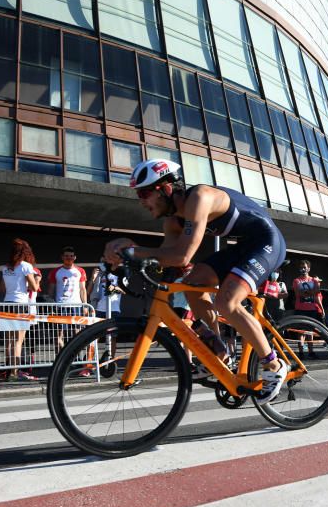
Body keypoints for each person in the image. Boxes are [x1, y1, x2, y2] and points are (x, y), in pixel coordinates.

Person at [103, 159, 288, 404]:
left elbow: (183, 255)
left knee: (227, 302)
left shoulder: (200, 197)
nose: (141, 201)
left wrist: (134, 251)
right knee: (192, 284)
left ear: (167, 188)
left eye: (145, 193)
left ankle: (274, 364)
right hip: (243, 246)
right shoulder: (172, 222)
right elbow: (169, 263)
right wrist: (128, 259)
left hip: (266, 241)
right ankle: (219, 350)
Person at [0, 238, 41, 381]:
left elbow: (2, 288)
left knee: (9, 340)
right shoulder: (26, 266)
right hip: (21, 304)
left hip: (6, 303)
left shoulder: (5, 267)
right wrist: (36, 280)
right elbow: (34, 288)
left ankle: (7, 370)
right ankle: (14, 373)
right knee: (18, 340)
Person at [48, 246, 88, 351]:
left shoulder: (80, 271)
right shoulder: (56, 271)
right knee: (59, 334)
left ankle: (75, 358)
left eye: (71, 256)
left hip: (76, 305)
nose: (68, 258)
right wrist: (50, 305)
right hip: (60, 305)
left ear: (75, 257)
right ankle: (60, 359)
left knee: (77, 333)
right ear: (62, 257)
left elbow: (82, 289)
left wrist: (85, 305)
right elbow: (51, 290)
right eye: (66, 256)